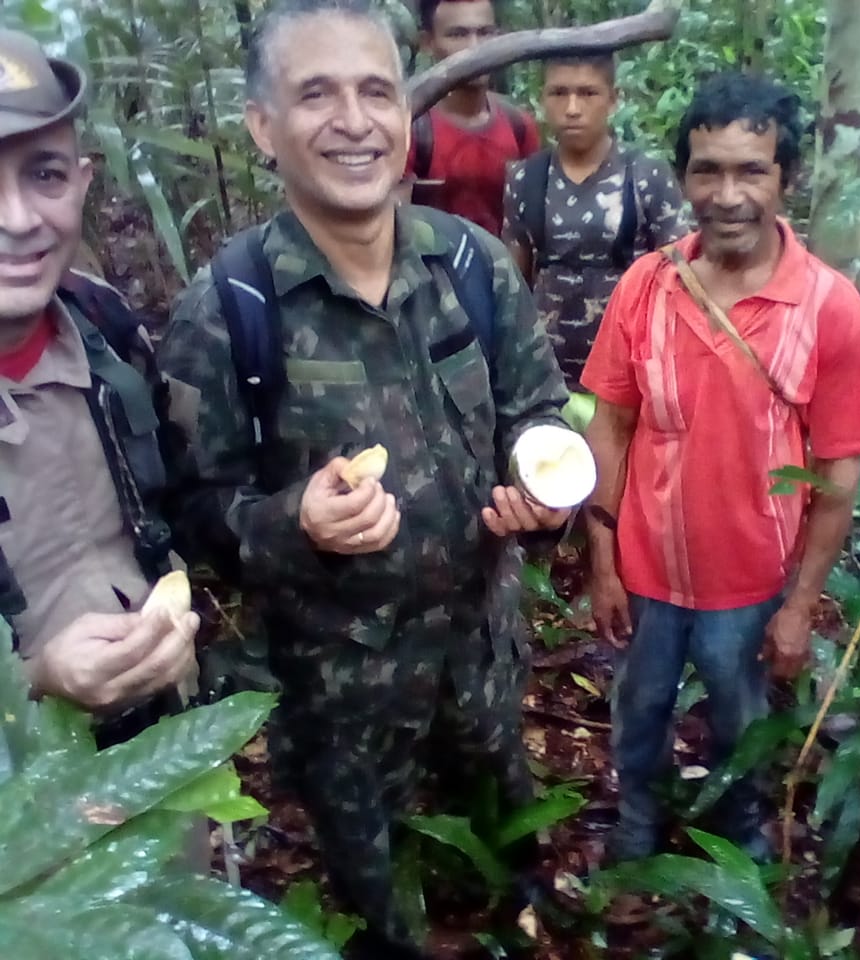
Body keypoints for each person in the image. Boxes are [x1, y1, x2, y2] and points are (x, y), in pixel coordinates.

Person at [156, 0, 569, 955]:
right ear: (264, 126)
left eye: (376, 91)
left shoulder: (475, 268)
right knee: (376, 908)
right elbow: (193, 514)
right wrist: (291, 522)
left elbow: (537, 410)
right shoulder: (229, 310)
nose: (354, 120)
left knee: (505, 860)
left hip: (480, 657)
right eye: (317, 95)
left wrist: (542, 486)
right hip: (341, 698)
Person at [581, 71, 860, 862]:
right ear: (683, 176)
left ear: (786, 179)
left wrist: (800, 606)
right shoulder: (645, 286)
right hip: (648, 566)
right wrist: (603, 559)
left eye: (750, 171)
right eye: (707, 170)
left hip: (751, 583)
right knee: (640, 709)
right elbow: (611, 425)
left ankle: (742, 848)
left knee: (740, 720)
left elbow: (839, 473)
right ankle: (639, 832)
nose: (727, 194)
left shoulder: (830, 308)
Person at [0, 29, 197, 736]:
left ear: (83, 180)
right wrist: (34, 681)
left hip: (161, 746)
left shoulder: (107, 328)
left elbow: (193, 495)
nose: (18, 221)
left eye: (44, 175)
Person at [503, 53, 688, 389]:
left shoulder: (645, 176)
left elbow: (677, 276)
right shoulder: (526, 178)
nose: (572, 108)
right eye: (559, 93)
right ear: (543, 99)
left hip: (628, 368)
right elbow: (514, 284)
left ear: (613, 99)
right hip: (546, 371)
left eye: (588, 94)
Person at [409, 0, 540, 236]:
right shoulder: (412, 128)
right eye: (458, 35)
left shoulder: (519, 125)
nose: (475, 47)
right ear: (428, 43)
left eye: (485, 33)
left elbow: (531, 225)